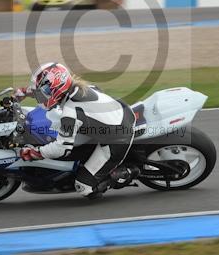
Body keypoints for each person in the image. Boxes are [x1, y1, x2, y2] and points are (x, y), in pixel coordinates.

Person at [15, 62, 137, 198]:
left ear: (57, 88)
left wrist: (35, 152)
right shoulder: (78, 87)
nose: (43, 95)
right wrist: (26, 92)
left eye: (46, 91)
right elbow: (48, 90)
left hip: (117, 138)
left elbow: (61, 148)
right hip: (120, 111)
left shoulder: (70, 112)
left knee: (84, 187)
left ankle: (126, 173)